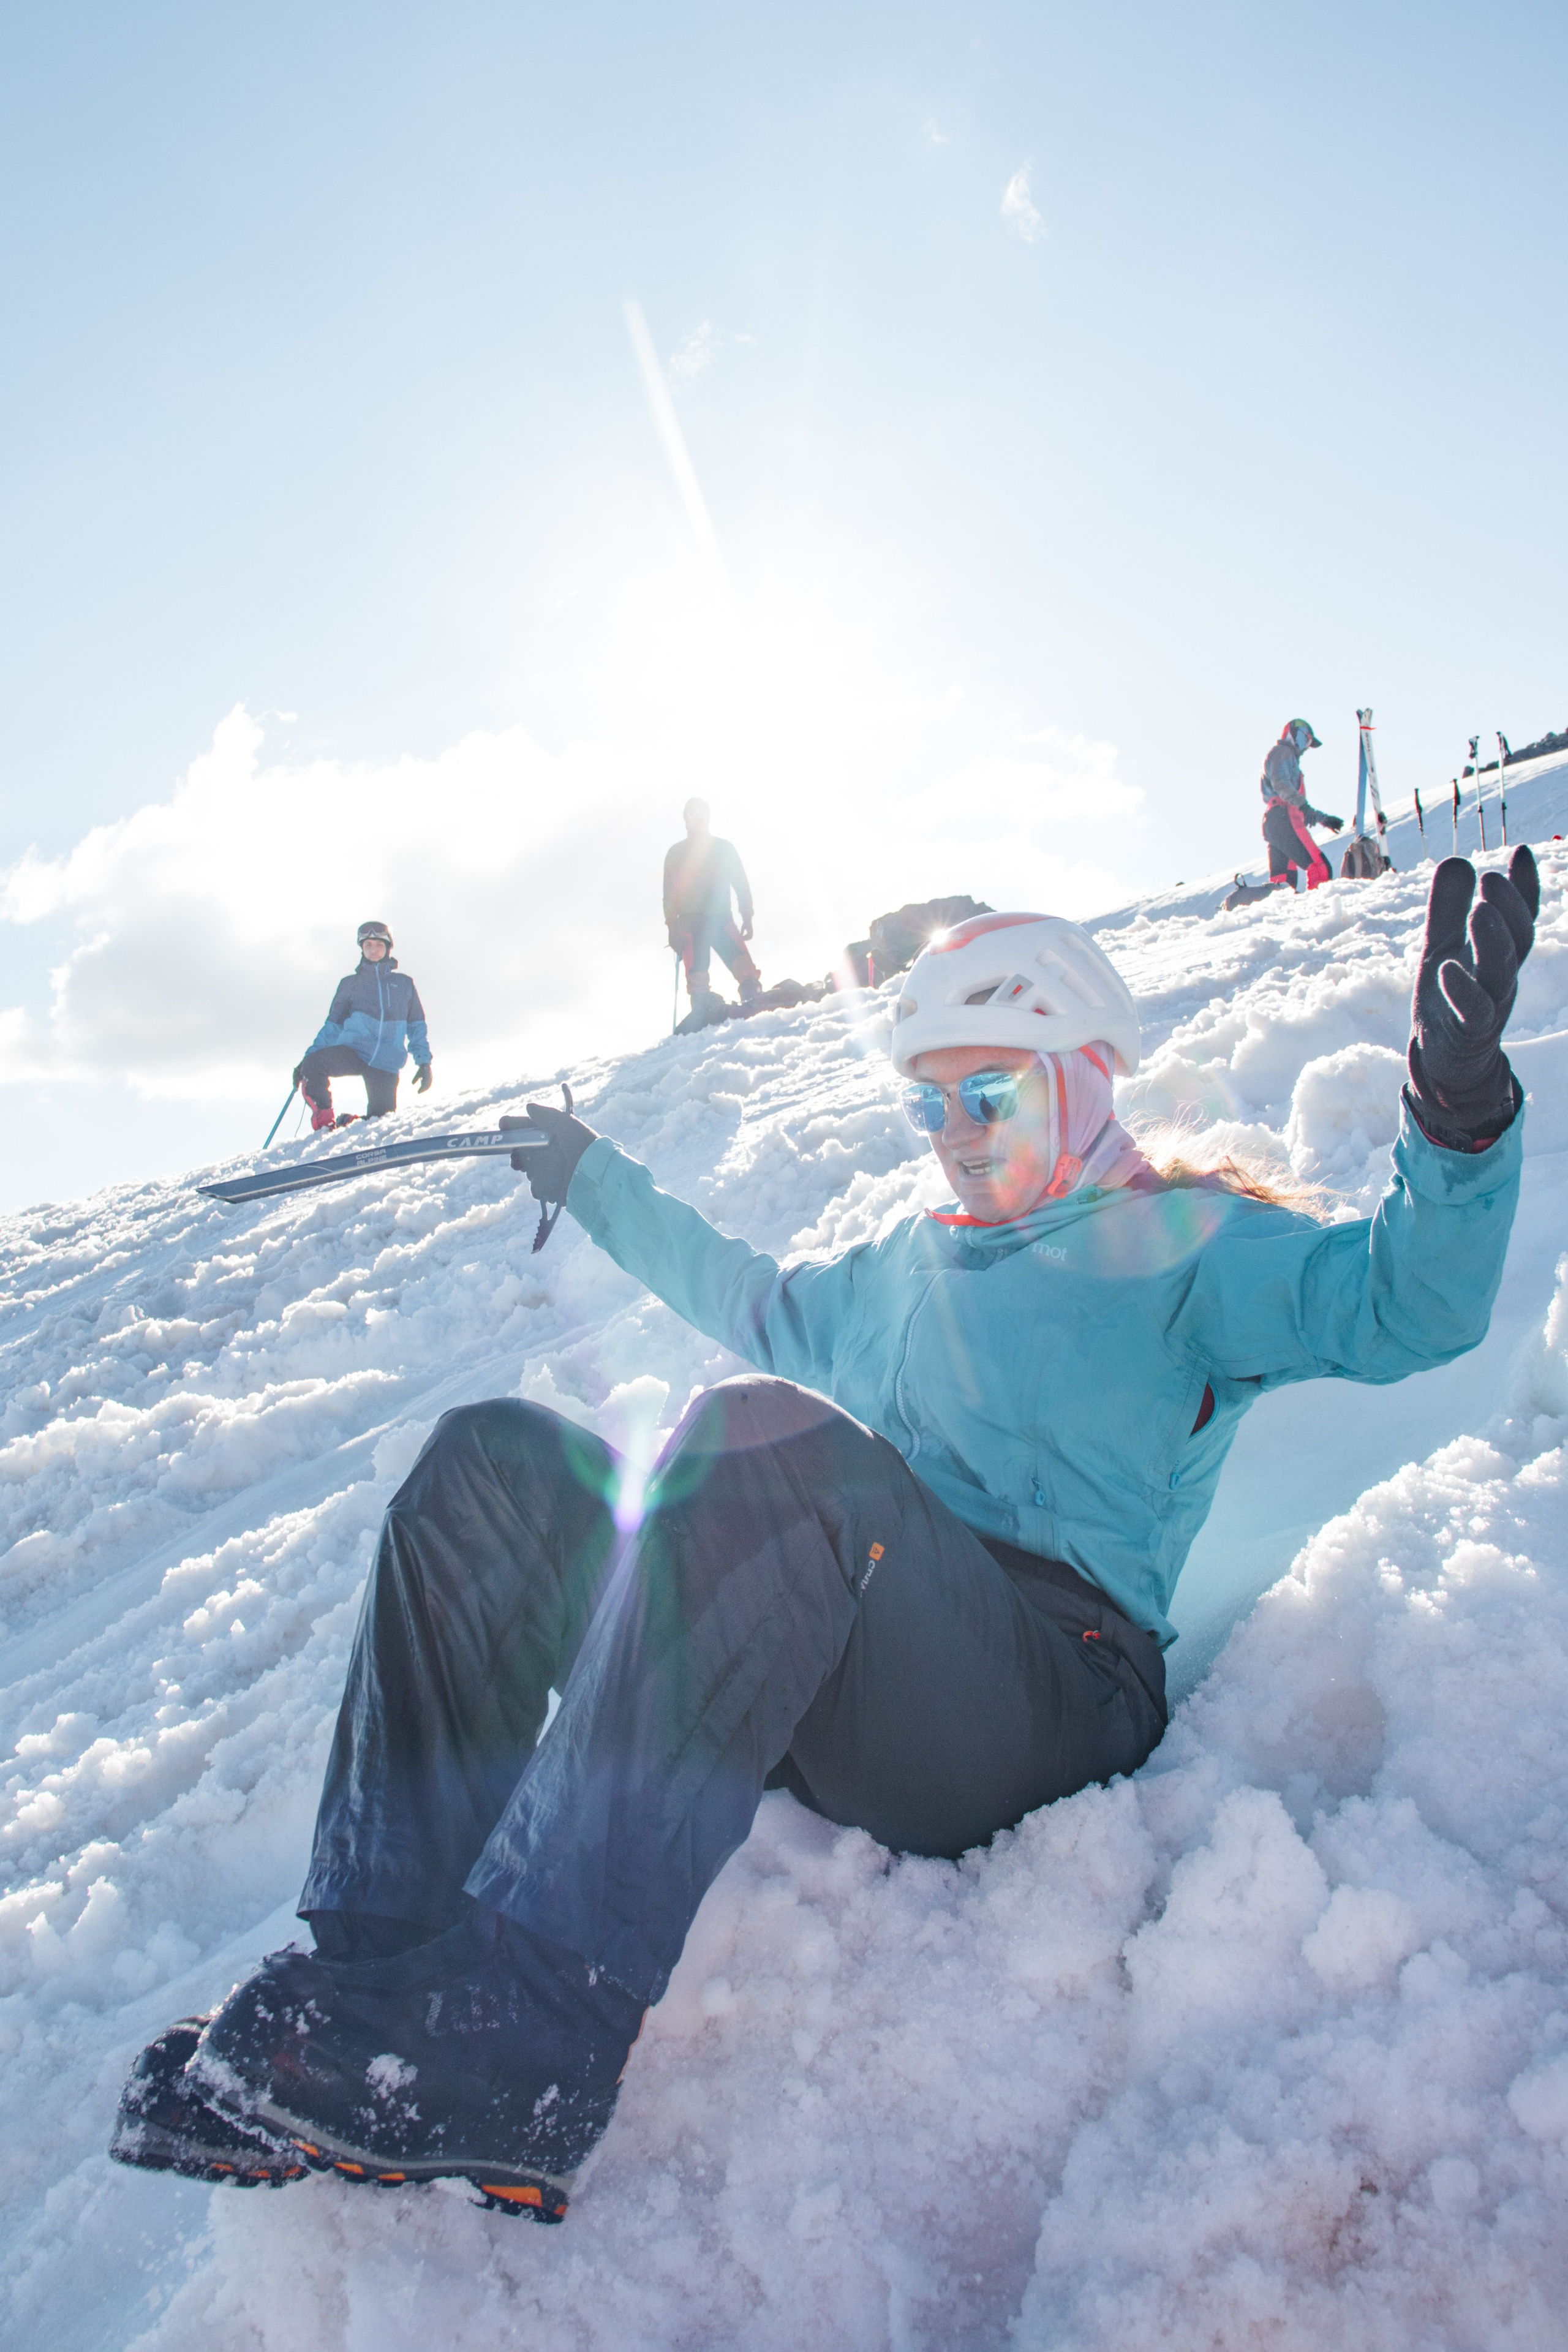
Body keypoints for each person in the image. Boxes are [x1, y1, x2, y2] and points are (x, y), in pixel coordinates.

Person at [112, 857, 1539, 2223]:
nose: (954, 1132)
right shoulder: (910, 1269)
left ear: (1079, 1079)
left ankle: (522, 2033)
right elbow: (746, 1294)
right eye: (928, 1105)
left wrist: (1456, 1122)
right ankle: (370, 1985)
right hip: (858, 1649)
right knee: (487, 1465)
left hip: (1047, 1689)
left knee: (758, 1447)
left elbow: (1404, 1306)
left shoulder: (1184, 1244)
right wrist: (588, 1173)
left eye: (986, 1094)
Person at [293, 921, 433, 1131]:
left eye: (379, 945)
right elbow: (332, 1027)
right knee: (313, 1065)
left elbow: (416, 1027)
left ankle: (349, 1123)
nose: (373, 950)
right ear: (362, 948)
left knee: (379, 1123)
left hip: (386, 1061)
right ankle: (325, 1126)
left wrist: (424, 1063)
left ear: (388, 948)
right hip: (354, 1051)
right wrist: (306, 1060)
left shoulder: (404, 985)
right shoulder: (350, 984)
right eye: (368, 945)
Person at [663, 797, 761, 1013]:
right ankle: (704, 1016)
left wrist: (747, 915)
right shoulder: (675, 853)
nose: (698, 817)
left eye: (702, 813)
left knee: (748, 975)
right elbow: (669, 895)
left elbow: (741, 884)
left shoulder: (724, 848)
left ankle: (756, 1010)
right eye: (693, 813)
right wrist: (672, 928)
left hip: (721, 921)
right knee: (698, 987)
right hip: (690, 926)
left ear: (708, 817)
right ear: (686, 819)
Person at [1260, 718, 1343, 892]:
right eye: (1304, 739)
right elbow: (1281, 785)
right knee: (1320, 868)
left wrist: (1323, 819)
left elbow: (1297, 804)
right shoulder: (1283, 752)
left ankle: (1282, 909)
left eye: (1308, 743)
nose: (1305, 747)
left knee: (1283, 883)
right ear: (1292, 734)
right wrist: (1305, 808)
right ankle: (1321, 906)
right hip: (1284, 819)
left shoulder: (1287, 758)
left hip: (1275, 821)